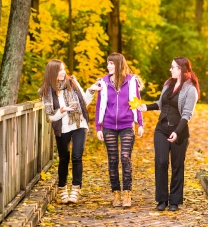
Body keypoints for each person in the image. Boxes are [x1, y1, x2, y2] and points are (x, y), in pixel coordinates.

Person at [137, 56, 199, 212]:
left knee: (177, 165)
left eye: (173, 67)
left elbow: (187, 114)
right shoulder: (168, 84)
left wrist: (177, 132)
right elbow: (160, 103)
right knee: (161, 162)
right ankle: (162, 199)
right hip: (161, 129)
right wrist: (147, 107)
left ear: (181, 69)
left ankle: (174, 201)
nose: (170, 69)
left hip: (179, 131)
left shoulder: (190, 89)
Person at [39, 59, 100, 204]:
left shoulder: (72, 83)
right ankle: (62, 188)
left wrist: (90, 91)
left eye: (63, 69)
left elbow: (83, 102)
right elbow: (51, 116)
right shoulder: (45, 92)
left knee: (77, 156)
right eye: (59, 70)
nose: (63, 72)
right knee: (64, 158)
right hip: (62, 127)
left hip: (79, 123)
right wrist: (61, 111)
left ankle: (75, 188)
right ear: (52, 72)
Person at [95, 52, 144, 208]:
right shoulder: (103, 82)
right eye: (108, 63)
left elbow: (137, 102)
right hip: (108, 125)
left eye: (111, 63)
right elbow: (99, 106)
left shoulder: (131, 81)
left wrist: (140, 123)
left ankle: (127, 194)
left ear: (119, 65)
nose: (108, 66)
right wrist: (98, 126)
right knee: (113, 160)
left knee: (125, 157)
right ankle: (116, 193)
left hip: (127, 124)